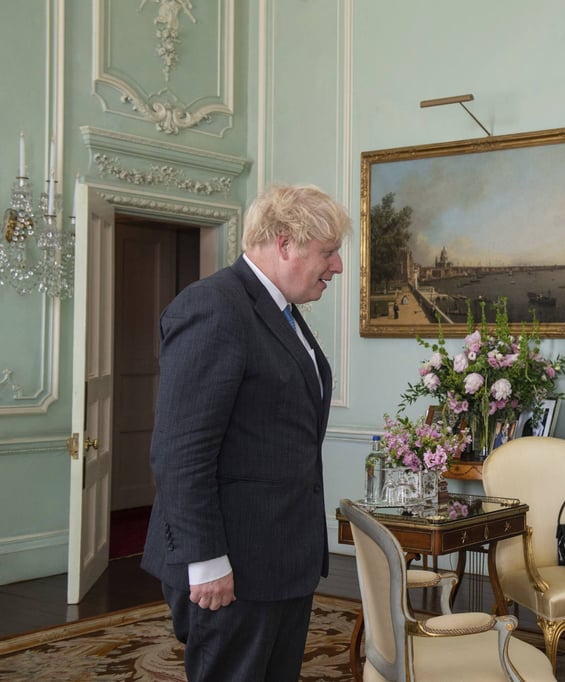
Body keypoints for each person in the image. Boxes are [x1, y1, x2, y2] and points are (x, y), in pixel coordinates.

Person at [141, 184, 352, 682]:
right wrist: (207, 559)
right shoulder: (214, 307)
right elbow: (180, 452)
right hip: (231, 563)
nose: (337, 266)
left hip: (279, 558)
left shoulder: (279, 311)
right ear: (285, 243)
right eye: (328, 253)